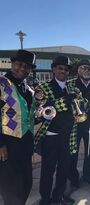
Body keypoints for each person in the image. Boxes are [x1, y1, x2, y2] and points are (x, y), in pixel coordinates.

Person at [34, 56, 84, 205]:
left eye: (66, 69)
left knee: (64, 169)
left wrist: (82, 103)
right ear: (54, 69)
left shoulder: (73, 88)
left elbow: (80, 106)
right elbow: (41, 111)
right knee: (47, 170)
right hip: (51, 136)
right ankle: (45, 198)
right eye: (60, 68)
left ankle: (59, 196)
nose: (63, 71)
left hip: (68, 136)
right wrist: (65, 101)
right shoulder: (43, 88)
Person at [0, 50, 36, 205]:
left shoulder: (28, 89)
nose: (22, 68)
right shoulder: (2, 84)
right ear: (12, 64)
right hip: (8, 143)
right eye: (19, 64)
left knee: (26, 183)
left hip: (25, 142)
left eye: (27, 66)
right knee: (11, 188)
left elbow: (25, 116)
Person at [67, 59, 90, 190]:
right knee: (73, 152)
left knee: (89, 152)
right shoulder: (70, 84)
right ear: (78, 70)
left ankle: (88, 175)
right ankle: (73, 178)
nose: (86, 70)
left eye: (89, 69)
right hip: (75, 125)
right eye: (83, 68)